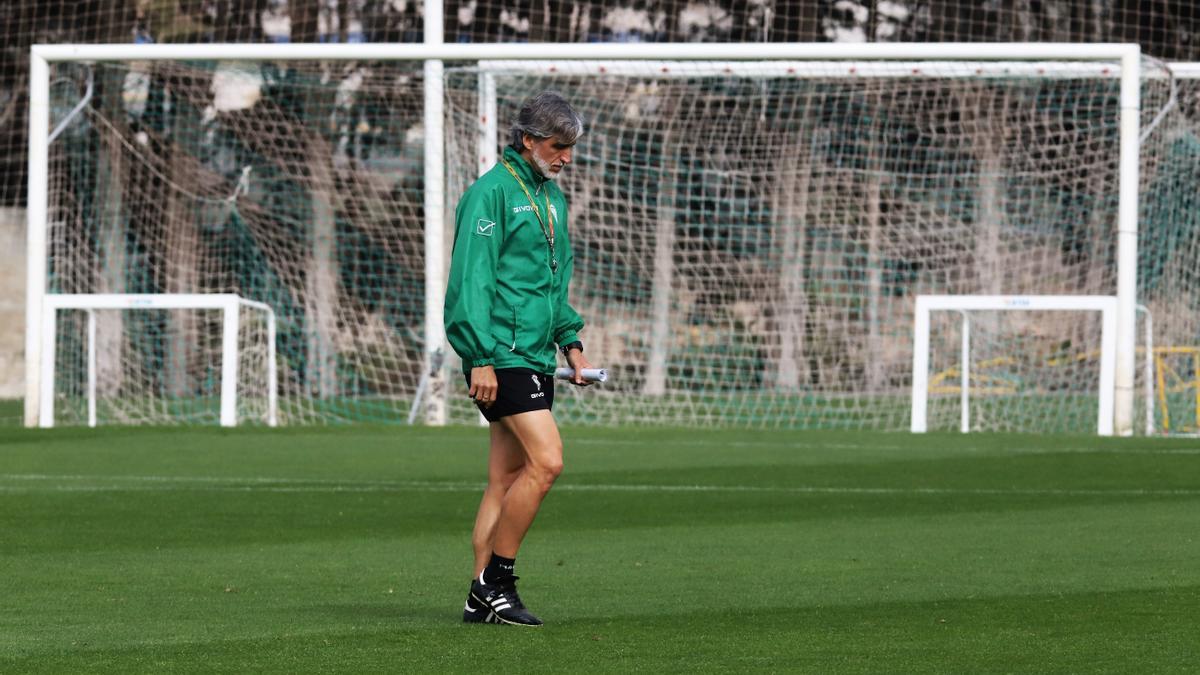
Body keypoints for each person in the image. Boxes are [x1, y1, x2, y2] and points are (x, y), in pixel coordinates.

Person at [444, 91, 594, 627]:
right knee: (548, 461)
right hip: (499, 354)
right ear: (527, 140)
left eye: (571, 148)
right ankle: (497, 582)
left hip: (532, 352)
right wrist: (479, 357)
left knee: (504, 481)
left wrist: (569, 339)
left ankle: (476, 599)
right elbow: (470, 282)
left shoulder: (551, 199)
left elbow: (551, 282)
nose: (566, 158)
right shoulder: (490, 195)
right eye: (557, 146)